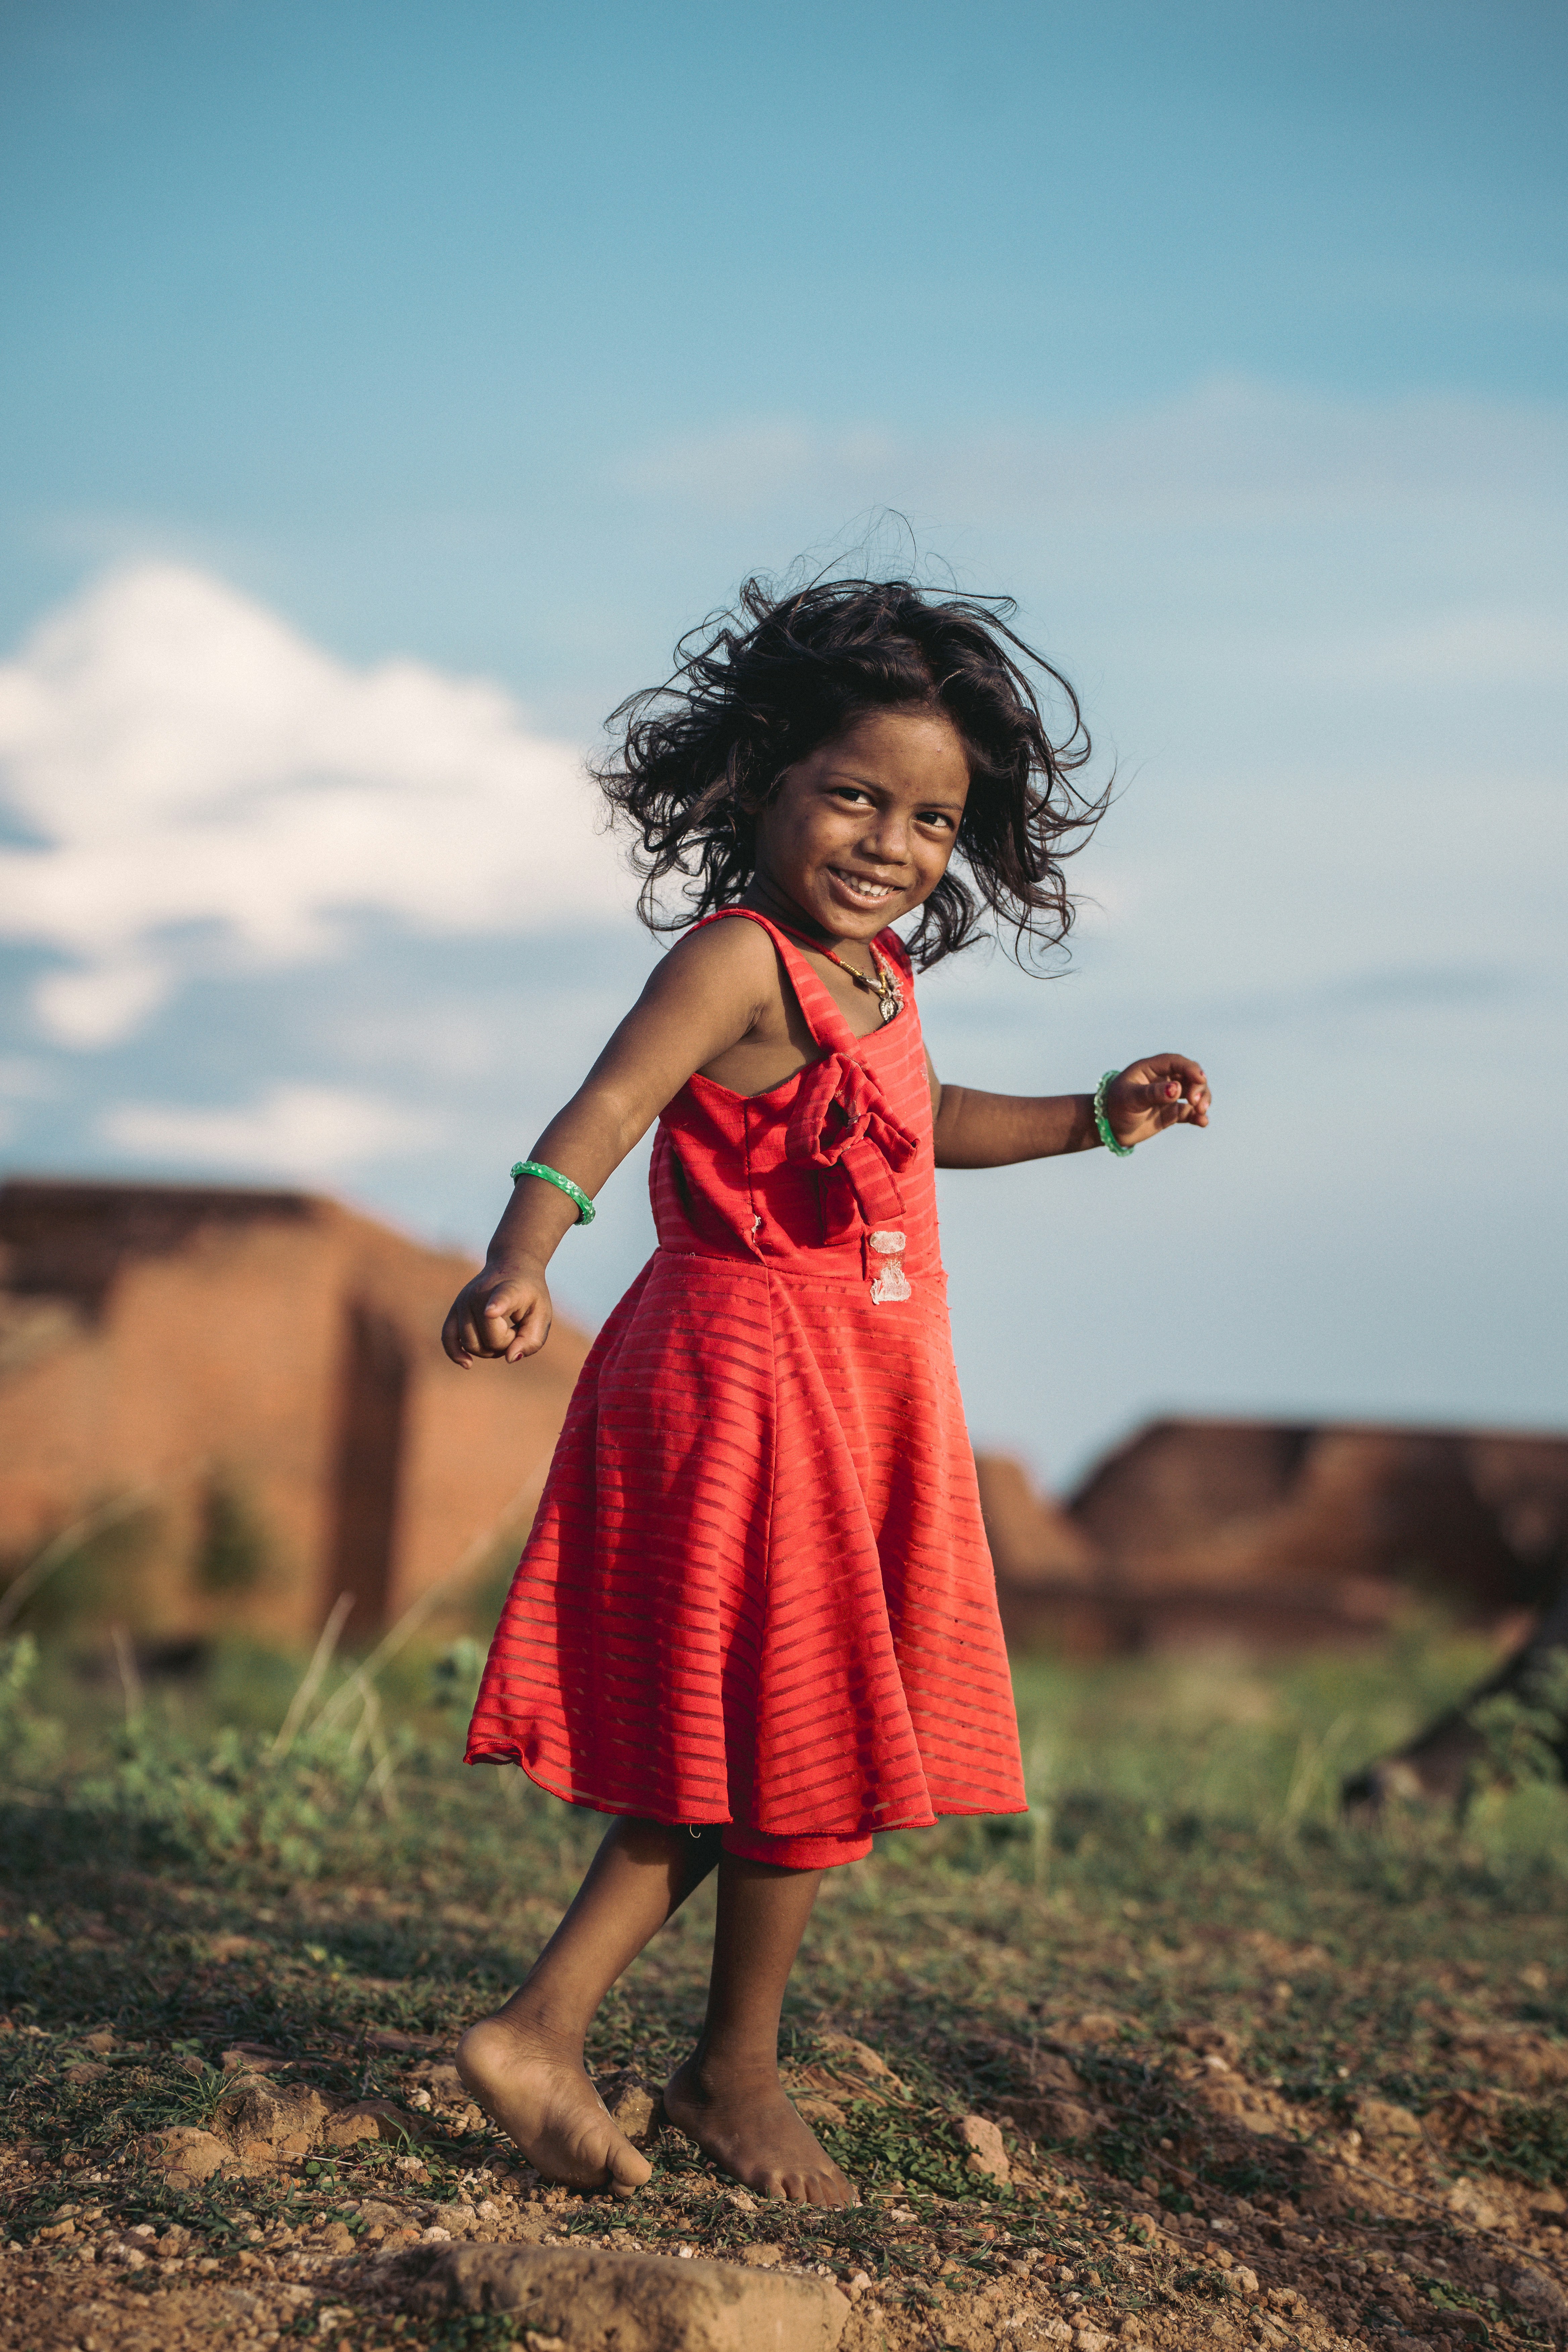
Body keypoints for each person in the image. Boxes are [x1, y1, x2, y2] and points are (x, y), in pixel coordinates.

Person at [443, 575, 1210, 2207]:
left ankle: (683, 2057)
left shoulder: (880, 983)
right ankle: (644, 2054)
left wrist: (1098, 1113)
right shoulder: (736, 962)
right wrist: (523, 1259)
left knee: (788, 1734)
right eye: (854, 794)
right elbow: (599, 1115)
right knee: (772, 1732)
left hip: (855, 1386)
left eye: (932, 817)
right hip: (740, 1380)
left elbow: (921, 1127)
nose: (890, 842)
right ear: (764, 782)